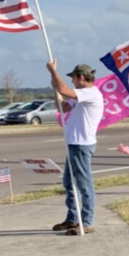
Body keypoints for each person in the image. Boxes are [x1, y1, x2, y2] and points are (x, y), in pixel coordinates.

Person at [47, 61, 104, 235]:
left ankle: (87, 221)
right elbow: (62, 108)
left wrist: (53, 72)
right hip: (74, 144)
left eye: (73, 77)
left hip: (82, 144)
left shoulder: (90, 93)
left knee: (84, 185)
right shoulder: (80, 95)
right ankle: (73, 219)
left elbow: (65, 90)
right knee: (69, 183)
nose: (72, 80)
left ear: (81, 77)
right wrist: (55, 88)